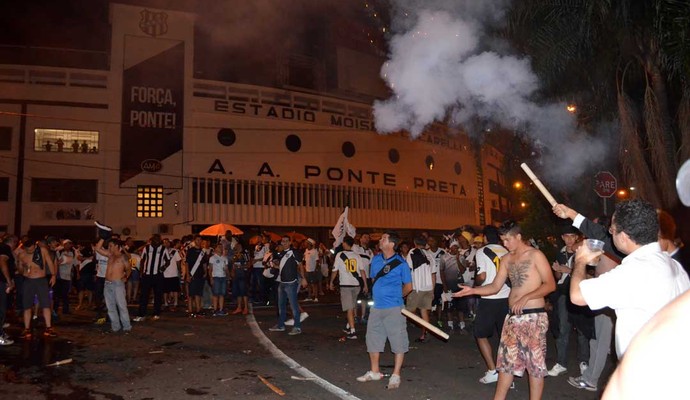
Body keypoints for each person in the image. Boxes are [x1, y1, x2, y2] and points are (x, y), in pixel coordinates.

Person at [568, 199, 690, 357]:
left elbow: (577, 296)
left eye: (612, 230)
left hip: (645, 368)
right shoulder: (673, 264)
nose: (610, 233)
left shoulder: (633, 272)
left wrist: (580, 261)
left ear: (623, 237)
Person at [453, 220, 556, 400]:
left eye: (508, 240)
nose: (505, 244)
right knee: (506, 363)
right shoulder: (506, 259)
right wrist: (473, 290)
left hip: (533, 316)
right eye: (502, 241)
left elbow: (550, 284)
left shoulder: (535, 255)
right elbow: (494, 286)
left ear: (518, 236)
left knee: (534, 366)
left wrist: (526, 297)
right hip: (512, 317)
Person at [356, 231, 412, 390]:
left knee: (398, 340)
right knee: (373, 338)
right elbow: (374, 279)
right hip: (377, 307)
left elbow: (409, 286)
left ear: (392, 244)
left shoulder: (401, 263)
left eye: (383, 238)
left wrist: (396, 298)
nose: (380, 240)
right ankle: (374, 371)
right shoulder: (376, 259)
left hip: (394, 308)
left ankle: (396, 374)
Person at [547, 226, 590, 378]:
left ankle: (584, 362)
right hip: (564, 294)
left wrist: (568, 270)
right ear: (563, 237)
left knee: (582, 330)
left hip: (580, 292)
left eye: (573, 236)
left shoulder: (584, 251)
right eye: (567, 236)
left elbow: (590, 274)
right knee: (563, 328)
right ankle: (561, 363)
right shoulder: (560, 253)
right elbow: (558, 278)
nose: (570, 240)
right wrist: (557, 270)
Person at [472, 226, 510, 384]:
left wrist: (474, 287)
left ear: (485, 237)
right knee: (505, 337)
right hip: (507, 297)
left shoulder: (482, 251)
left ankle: (492, 370)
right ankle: (507, 374)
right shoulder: (506, 251)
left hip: (489, 298)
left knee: (480, 334)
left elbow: (482, 276)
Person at [17, 238, 58, 338]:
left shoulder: (42, 250)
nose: (29, 252)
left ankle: (48, 328)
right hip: (28, 281)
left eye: (31, 250)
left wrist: (53, 275)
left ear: (35, 246)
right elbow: (20, 271)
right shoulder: (22, 255)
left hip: (41, 280)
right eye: (27, 250)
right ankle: (26, 329)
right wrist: (22, 266)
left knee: (45, 304)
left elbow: (49, 262)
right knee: (27, 306)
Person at [330, 236, 367, 339]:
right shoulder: (357, 256)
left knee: (349, 308)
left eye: (343, 243)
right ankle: (348, 326)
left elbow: (334, 270)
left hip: (345, 285)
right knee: (352, 306)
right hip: (356, 285)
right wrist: (365, 284)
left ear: (345, 243)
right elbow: (362, 271)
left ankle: (352, 331)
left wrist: (331, 281)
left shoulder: (339, 255)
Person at [268, 236, 307, 335]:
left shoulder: (294, 252)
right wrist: (274, 265)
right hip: (282, 283)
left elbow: (300, 265)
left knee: (293, 306)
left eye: (286, 241)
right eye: (283, 241)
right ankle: (281, 325)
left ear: (290, 242)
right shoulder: (282, 253)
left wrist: (303, 278)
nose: (284, 243)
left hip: (291, 283)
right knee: (281, 306)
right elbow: (282, 267)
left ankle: (297, 327)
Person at [94, 237, 132, 333]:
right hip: (107, 283)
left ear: (116, 246)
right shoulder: (110, 255)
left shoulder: (122, 257)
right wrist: (103, 237)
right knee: (110, 307)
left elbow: (129, 268)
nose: (109, 247)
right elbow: (97, 249)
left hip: (117, 283)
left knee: (121, 305)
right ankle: (115, 327)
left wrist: (126, 277)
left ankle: (127, 326)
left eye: (111, 246)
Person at [405, 235, 437, 343]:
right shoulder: (430, 255)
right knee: (424, 311)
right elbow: (433, 274)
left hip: (417, 287)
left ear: (415, 242)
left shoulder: (412, 252)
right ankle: (425, 333)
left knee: (408, 312)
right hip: (428, 287)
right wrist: (432, 290)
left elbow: (408, 269)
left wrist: (405, 286)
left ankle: (424, 327)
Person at [134, 234, 167, 321]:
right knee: (144, 295)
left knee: (158, 295)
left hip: (158, 275)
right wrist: (141, 272)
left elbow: (168, 261)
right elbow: (142, 260)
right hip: (147, 275)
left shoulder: (163, 249)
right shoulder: (147, 248)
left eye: (158, 239)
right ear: (152, 240)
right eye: (155, 239)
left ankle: (156, 313)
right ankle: (141, 314)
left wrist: (162, 268)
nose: (156, 241)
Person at [0, 235, 19, 345]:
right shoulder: (5, 248)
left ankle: (1, 332)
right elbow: (2, 262)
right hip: (1, 282)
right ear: (13, 242)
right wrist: (8, 280)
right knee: (1, 310)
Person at [185, 235, 208, 317]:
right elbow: (187, 263)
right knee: (191, 294)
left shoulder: (203, 252)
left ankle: (198, 310)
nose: (199, 241)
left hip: (200, 274)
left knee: (198, 293)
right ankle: (190, 311)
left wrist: (205, 272)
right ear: (194, 241)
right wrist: (187, 274)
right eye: (197, 240)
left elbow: (204, 263)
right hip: (192, 274)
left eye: (200, 240)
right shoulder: (190, 251)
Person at [209, 243, 228, 316]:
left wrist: (227, 275)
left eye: (221, 247)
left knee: (222, 294)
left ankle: (221, 309)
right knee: (215, 294)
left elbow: (226, 269)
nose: (220, 248)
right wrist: (211, 278)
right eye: (219, 247)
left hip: (223, 277)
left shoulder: (224, 258)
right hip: (216, 277)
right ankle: (215, 309)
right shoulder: (212, 258)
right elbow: (210, 269)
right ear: (215, 249)